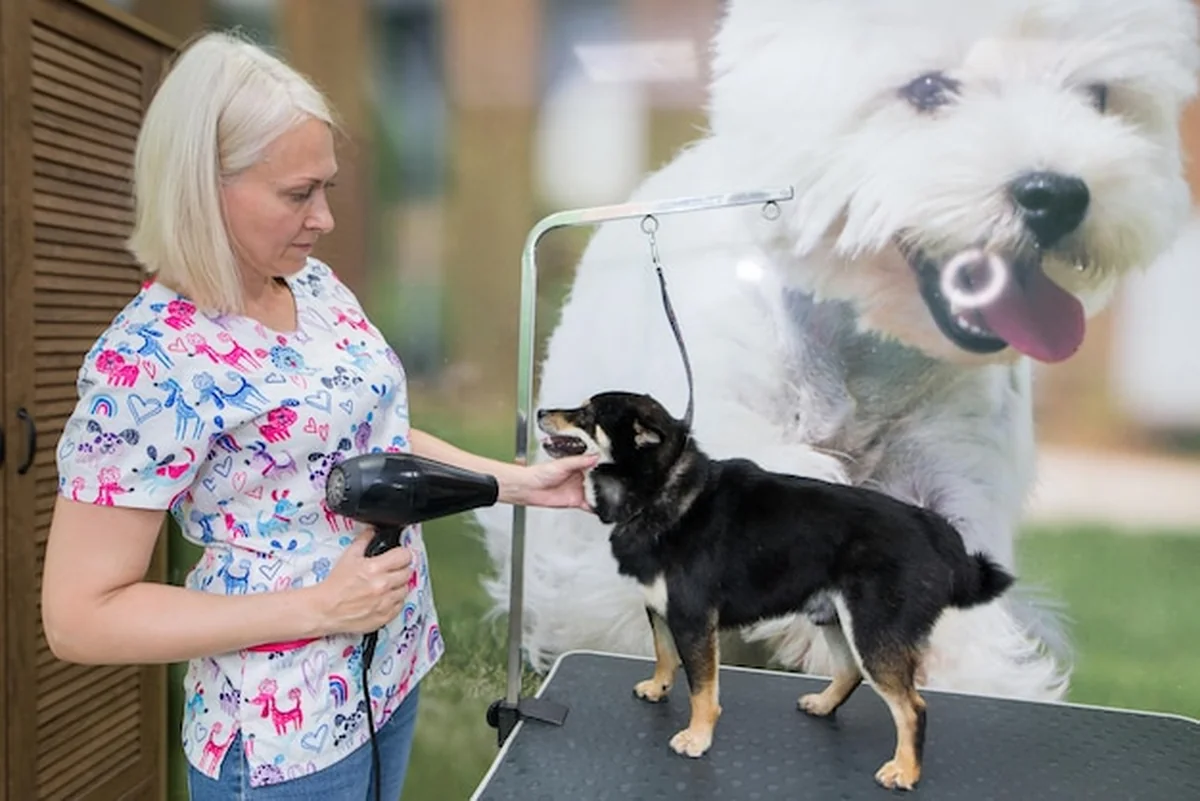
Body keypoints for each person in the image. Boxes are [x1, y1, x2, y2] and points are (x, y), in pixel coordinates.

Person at [40, 30, 596, 800]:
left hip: (386, 670)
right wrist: (317, 607)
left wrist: (524, 483)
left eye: (327, 186)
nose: (326, 217)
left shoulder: (314, 285)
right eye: (299, 194)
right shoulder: (148, 361)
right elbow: (79, 617)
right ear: (204, 187)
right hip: (281, 741)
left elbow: (374, 440)